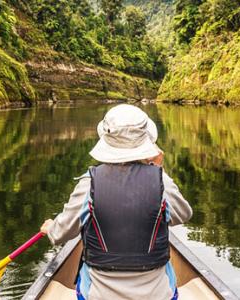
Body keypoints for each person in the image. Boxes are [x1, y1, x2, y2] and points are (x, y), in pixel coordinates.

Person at [39, 104, 192, 300]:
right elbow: (183, 214)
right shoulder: (161, 180)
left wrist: (51, 228)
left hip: (97, 295)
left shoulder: (88, 183)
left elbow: (61, 233)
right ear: (147, 143)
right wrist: (156, 170)